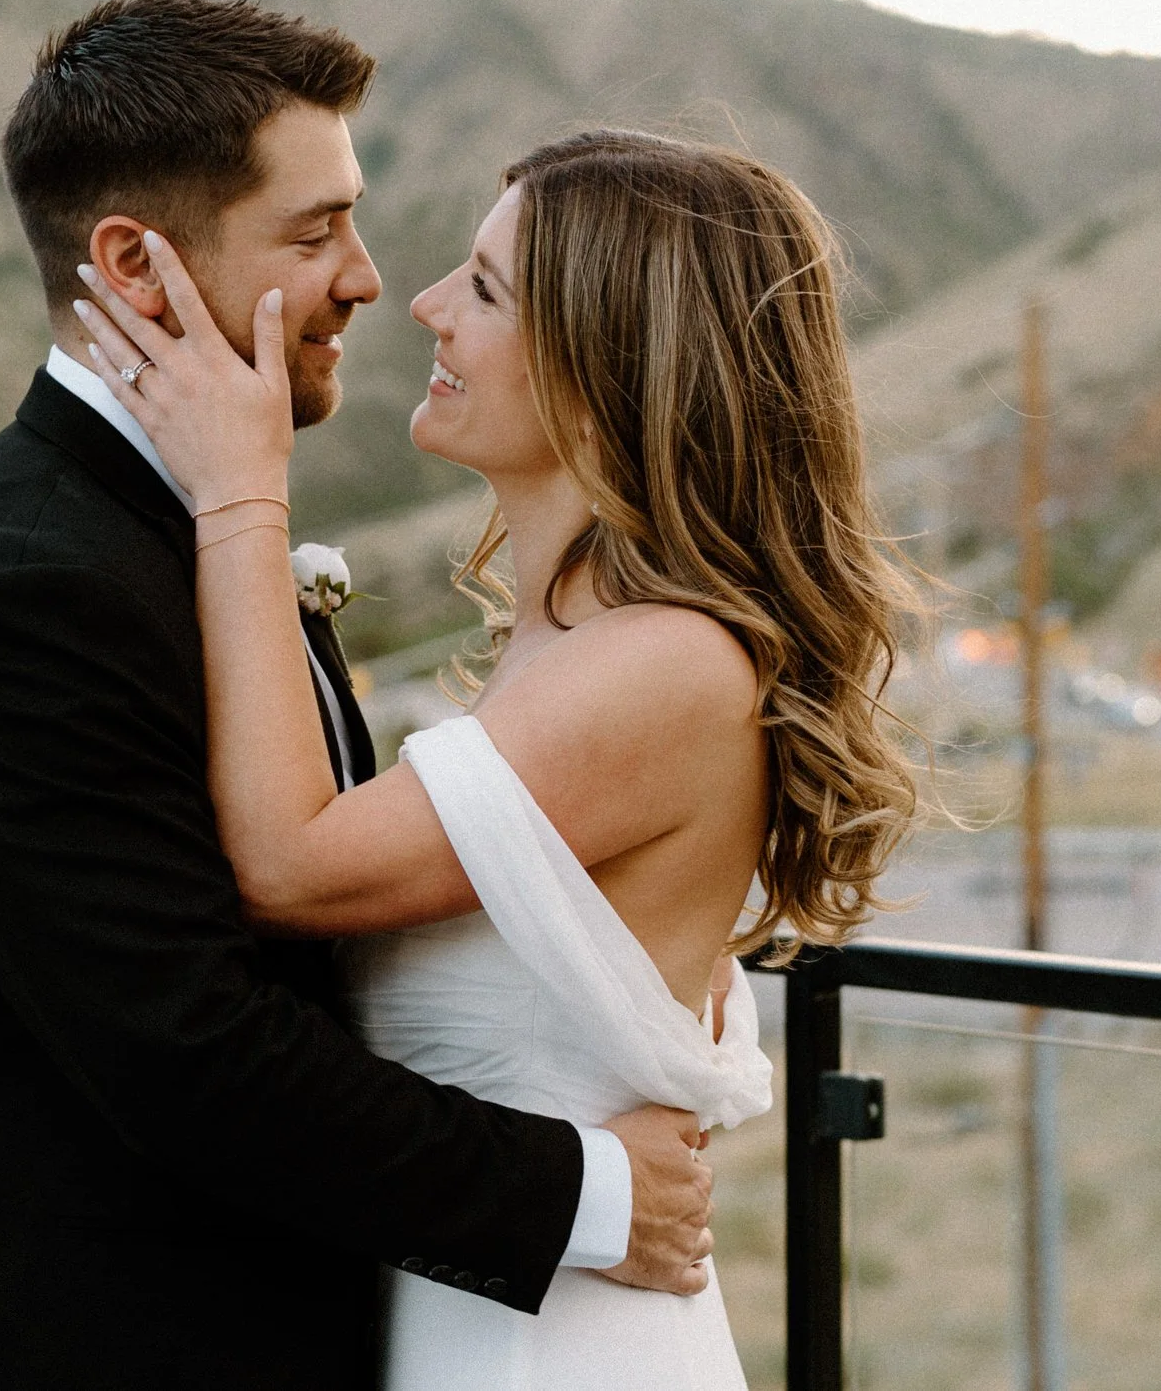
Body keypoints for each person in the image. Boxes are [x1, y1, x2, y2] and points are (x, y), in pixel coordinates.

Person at [0, 0, 718, 1391]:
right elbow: (191, 1056)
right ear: (136, 264)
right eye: (314, 233)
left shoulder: (193, 528)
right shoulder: (26, 591)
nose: (372, 280)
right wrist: (588, 1193)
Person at [74, 126, 922, 1388]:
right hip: (484, 1307)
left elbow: (292, 869)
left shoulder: (665, 664)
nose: (420, 304)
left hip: (549, 1349)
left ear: (603, 364)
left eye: (482, 288)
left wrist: (240, 490)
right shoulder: (568, 646)